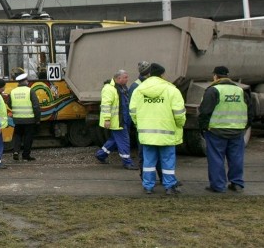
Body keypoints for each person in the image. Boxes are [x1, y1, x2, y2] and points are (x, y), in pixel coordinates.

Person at [129, 63, 186, 194]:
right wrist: (179, 124)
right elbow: (179, 113)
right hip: (167, 133)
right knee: (167, 161)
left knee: (148, 161)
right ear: (162, 75)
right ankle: (169, 186)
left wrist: (140, 124)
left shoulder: (139, 89)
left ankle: (148, 186)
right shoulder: (171, 90)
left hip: (146, 133)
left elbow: (132, 111)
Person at [199, 66, 252, 193]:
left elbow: (205, 111)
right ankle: (237, 183)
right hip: (237, 131)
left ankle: (218, 186)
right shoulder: (240, 90)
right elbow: (250, 111)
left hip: (216, 131)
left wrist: (203, 128)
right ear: (228, 76)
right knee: (236, 158)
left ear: (215, 76)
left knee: (216, 158)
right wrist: (245, 126)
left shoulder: (212, 90)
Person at [95, 70, 138, 170]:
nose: (127, 79)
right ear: (118, 78)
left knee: (115, 140)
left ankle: (101, 155)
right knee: (124, 141)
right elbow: (106, 105)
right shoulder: (109, 89)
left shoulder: (121, 87)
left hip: (123, 119)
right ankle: (127, 162)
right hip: (118, 121)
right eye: (125, 77)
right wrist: (107, 119)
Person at [10, 73, 39, 161]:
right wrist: (37, 119)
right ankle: (26, 155)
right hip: (29, 119)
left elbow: (9, 103)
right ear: (25, 81)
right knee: (28, 137)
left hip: (17, 119)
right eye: (27, 80)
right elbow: (36, 106)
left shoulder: (13, 91)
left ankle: (16, 151)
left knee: (18, 135)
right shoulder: (30, 91)